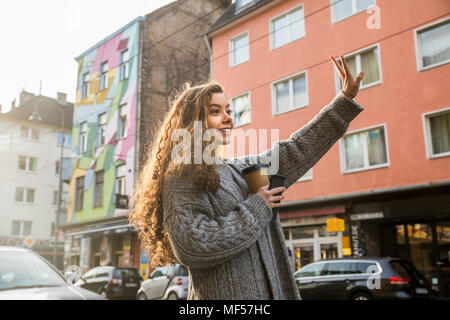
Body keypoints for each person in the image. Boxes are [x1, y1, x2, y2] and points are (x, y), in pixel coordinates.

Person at [130, 56, 365, 300]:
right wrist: (257, 206)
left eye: (228, 111)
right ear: (193, 121)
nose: (228, 118)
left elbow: (293, 151)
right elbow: (193, 245)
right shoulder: (181, 176)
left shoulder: (241, 169)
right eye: (215, 111)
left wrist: (343, 103)